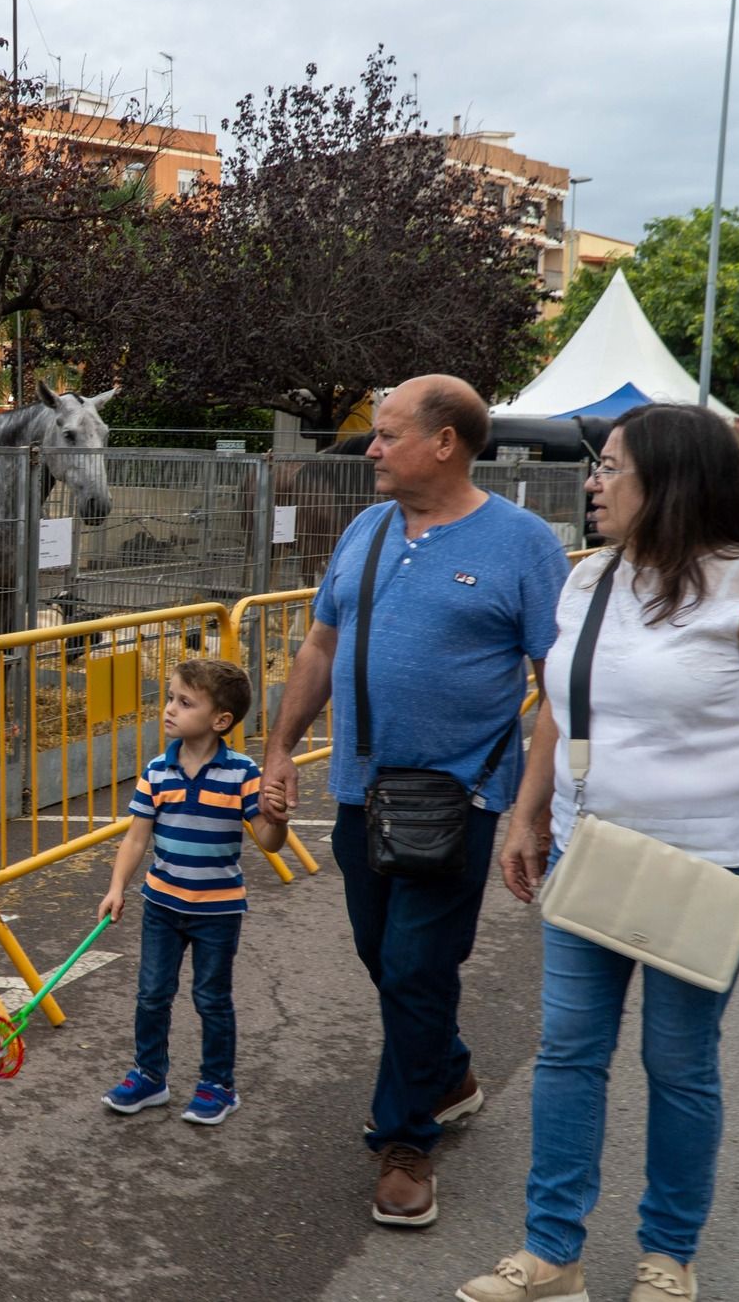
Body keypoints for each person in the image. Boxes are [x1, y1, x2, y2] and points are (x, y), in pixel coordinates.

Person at [459, 403, 739, 1302]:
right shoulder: (588, 578)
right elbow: (560, 703)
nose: (594, 481)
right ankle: (552, 1255)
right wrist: (528, 815)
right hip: (591, 853)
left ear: (669, 479)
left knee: (678, 1065)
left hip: (708, 867)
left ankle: (667, 1256)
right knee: (567, 1055)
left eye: (613, 466)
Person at [260, 374, 569, 1228]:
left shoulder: (524, 544)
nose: (370, 448)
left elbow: (559, 682)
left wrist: (532, 806)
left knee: (414, 963)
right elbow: (321, 644)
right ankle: (450, 1070)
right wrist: (280, 748)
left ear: (444, 442)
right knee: (380, 954)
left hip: (459, 796)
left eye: (388, 434)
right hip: (362, 793)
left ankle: (404, 1141)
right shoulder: (365, 530)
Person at [98, 659, 288, 1126]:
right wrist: (117, 886)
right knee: (151, 994)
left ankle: (218, 1084)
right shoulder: (157, 771)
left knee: (211, 998)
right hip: (161, 905)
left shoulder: (241, 773)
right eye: (169, 698)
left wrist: (278, 818)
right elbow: (136, 837)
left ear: (221, 720)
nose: (169, 710)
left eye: (184, 703)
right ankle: (149, 1075)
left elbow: (267, 840)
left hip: (217, 911)